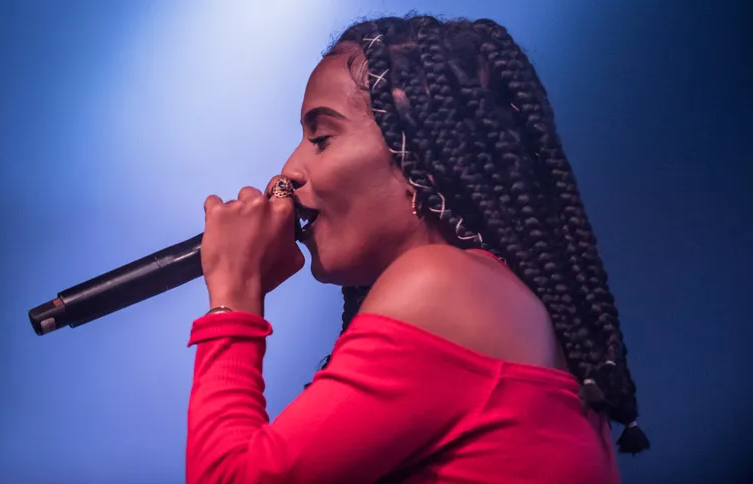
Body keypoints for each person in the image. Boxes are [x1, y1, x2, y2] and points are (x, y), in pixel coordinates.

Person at [186, 15, 649, 483]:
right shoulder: (500, 301)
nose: (289, 169)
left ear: (417, 160)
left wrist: (234, 295)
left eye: (322, 138)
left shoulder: (440, 287)